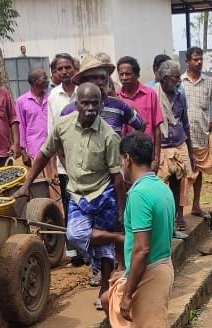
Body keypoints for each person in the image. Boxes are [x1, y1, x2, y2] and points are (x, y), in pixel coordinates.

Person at [15, 82, 124, 308]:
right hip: (77, 195)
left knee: (102, 249)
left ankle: (104, 290)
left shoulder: (109, 136)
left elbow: (117, 176)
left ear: (101, 104)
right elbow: (45, 154)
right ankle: (116, 240)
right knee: (74, 236)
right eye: (85, 103)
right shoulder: (63, 126)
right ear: (77, 104)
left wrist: (121, 210)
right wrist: (27, 183)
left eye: (95, 103)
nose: (91, 108)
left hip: (104, 194)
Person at [98, 132, 178, 328]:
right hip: (152, 267)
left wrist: (130, 291)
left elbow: (142, 248)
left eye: (121, 159)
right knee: (108, 299)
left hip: (150, 274)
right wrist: (126, 274)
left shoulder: (139, 194)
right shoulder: (160, 187)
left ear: (127, 159)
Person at [60, 54, 145, 286]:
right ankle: (98, 268)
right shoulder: (69, 112)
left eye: (103, 76)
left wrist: (128, 152)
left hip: (115, 178)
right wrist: (71, 165)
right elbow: (59, 142)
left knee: (116, 222)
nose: (99, 81)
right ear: (83, 83)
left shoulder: (119, 107)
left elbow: (141, 125)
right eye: (93, 77)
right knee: (85, 230)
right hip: (85, 182)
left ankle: (120, 267)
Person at [180, 46, 212, 220]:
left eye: (201, 59)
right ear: (187, 61)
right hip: (182, 137)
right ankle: (178, 213)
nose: (199, 62)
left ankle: (196, 205)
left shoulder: (210, 83)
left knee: (198, 172)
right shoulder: (179, 82)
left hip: (201, 135)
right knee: (182, 173)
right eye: (195, 59)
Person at [154, 60, 193, 240]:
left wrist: (190, 151)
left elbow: (185, 122)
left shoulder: (180, 94)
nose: (178, 81)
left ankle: (178, 217)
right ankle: (163, 222)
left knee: (178, 183)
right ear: (165, 78)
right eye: (175, 78)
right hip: (160, 146)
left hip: (177, 142)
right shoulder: (153, 94)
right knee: (161, 187)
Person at [116, 56, 163, 169]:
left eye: (128, 74)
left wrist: (156, 157)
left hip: (146, 156)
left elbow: (157, 128)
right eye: (121, 74)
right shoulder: (116, 98)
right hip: (125, 157)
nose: (124, 78)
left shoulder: (150, 94)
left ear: (137, 75)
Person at [48, 53, 78, 216]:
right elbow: (52, 132)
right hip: (64, 164)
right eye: (60, 69)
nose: (64, 71)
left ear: (75, 68)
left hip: (87, 160)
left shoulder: (84, 91)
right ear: (56, 72)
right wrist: (53, 166)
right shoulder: (53, 96)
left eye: (68, 67)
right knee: (69, 205)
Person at [16, 67, 50, 165]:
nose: (47, 80)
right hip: (34, 149)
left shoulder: (51, 98)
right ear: (35, 81)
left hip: (52, 147)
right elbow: (21, 126)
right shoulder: (22, 101)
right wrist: (23, 151)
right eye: (44, 78)